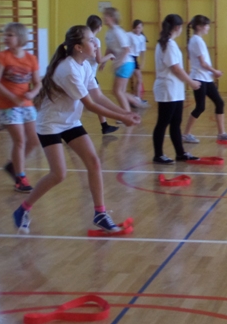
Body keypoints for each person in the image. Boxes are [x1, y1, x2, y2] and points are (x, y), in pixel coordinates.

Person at [11, 25, 141, 234]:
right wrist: (122, 118)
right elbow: (90, 105)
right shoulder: (68, 69)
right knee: (58, 174)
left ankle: (100, 214)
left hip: (70, 122)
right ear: (79, 47)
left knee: (94, 162)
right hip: (51, 124)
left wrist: (125, 113)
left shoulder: (85, 65)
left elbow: (98, 96)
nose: (95, 43)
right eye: (91, 40)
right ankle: (22, 209)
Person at [0, 22, 41, 192]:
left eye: (10, 35)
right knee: (19, 140)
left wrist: (32, 93)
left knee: (34, 140)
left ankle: (13, 165)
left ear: (20, 37)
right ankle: (20, 177)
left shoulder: (31, 59)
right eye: (5, 35)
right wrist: (12, 97)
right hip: (7, 106)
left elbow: (38, 83)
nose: (6, 38)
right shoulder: (2, 57)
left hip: (26, 104)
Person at [182, 15, 227, 144]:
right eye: (206, 25)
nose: (208, 28)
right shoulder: (197, 41)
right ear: (199, 27)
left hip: (205, 78)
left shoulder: (196, 40)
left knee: (219, 103)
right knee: (200, 107)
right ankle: (186, 134)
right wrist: (215, 72)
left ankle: (221, 133)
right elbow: (203, 63)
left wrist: (211, 73)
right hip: (199, 78)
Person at [153, 14, 201, 163]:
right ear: (177, 27)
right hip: (167, 88)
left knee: (175, 122)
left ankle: (180, 153)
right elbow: (175, 68)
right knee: (163, 122)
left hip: (175, 89)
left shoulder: (168, 43)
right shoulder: (168, 44)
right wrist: (191, 82)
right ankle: (158, 155)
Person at [103, 7, 145, 113]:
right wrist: (103, 62)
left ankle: (127, 114)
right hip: (123, 64)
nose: (103, 17)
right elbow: (109, 49)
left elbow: (126, 49)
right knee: (120, 91)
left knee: (117, 91)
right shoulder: (109, 33)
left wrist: (119, 63)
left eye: (106, 16)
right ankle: (137, 102)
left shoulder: (118, 32)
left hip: (126, 63)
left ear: (112, 17)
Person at [85, 15, 118, 135]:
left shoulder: (84, 38)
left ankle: (104, 125)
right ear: (99, 27)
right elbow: (98, 60)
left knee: (97, 99)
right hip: (89, 76)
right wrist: (110, 56)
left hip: (84, 74)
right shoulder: (95, 40)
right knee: (97, 99)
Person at [130, 19, 147, 102]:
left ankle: (136, 98)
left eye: (139, 27)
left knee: (139, 78)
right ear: (133, 28)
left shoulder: (142, 38)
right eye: (136, 28)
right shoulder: (129, 35)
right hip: (129, 57)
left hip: (135, 58)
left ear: (142, 28)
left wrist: (142, 63)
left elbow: (142, 51)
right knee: (138, 78)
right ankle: (136, 98)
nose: (137, 29)